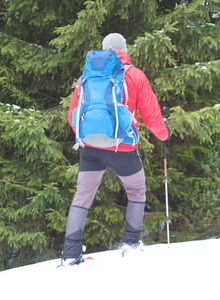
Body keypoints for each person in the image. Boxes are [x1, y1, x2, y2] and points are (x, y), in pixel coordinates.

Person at [61, 33, 170, 266]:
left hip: (89, 148)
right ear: (125, 49)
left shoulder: (86, 76)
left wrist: (91, 136)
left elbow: (73, 115)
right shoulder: (135, 75)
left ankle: (70, 254)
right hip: (123, 148)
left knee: (82, 197)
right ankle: (131, 245)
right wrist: (163, 134)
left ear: (103, 50)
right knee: (136, 192)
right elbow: (151, 115)